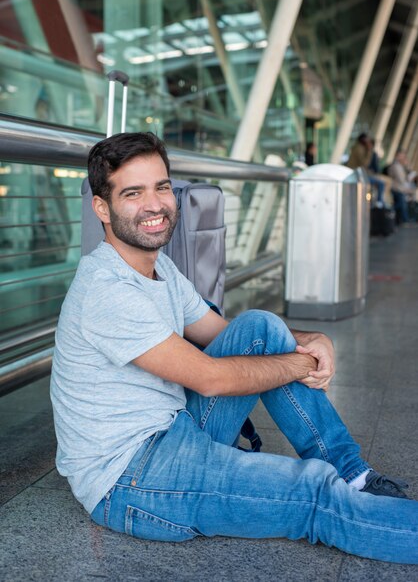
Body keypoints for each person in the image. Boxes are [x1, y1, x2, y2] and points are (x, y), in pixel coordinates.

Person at [50, 132, 418, 564]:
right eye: (133, 193)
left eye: (161, 186)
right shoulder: (106, 289)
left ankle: (353, 475)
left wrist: (307, 340)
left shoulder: (159, 267)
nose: (154, 205)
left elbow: (220, 332)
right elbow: (213, 378)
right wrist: (301, 364)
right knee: (314, 493)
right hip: (130, 480)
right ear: (102, 208)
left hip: (175, 426)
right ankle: (346, 494)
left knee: (261, 326)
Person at [387, 148, 416, 223]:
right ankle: (403, 218)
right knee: (402, 203)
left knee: (403, 203)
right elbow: (402, 180)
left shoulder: (400, 166)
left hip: (400, 188)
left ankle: (404, 218)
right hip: (397, 188)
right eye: (402, 156)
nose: (403, 158)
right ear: (398, 156)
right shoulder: (396, 166)